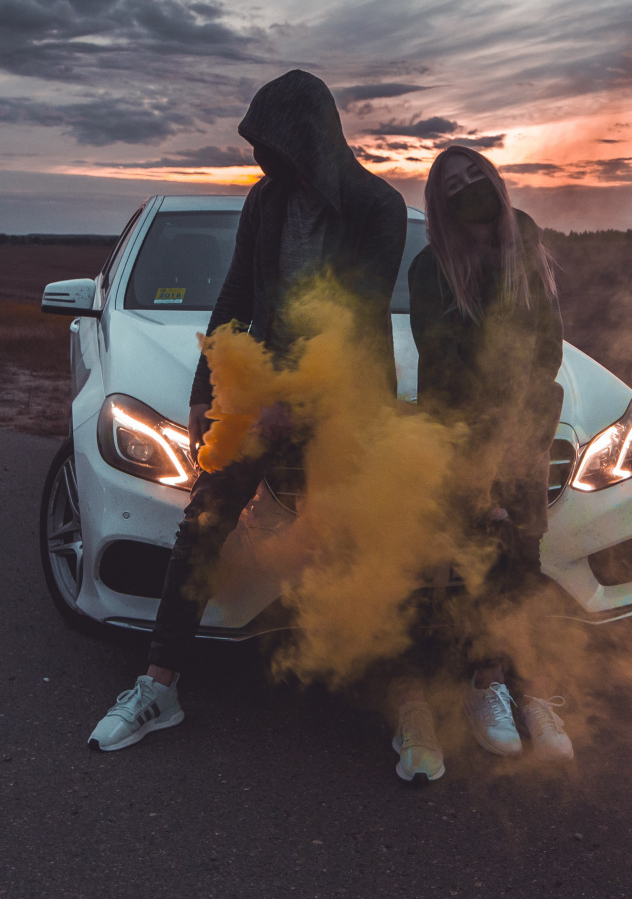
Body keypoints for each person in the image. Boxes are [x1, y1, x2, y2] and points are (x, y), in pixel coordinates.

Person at [89, 69, 407, 751]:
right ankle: (158, 687)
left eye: (275, 143)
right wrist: (205, 391)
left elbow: (357, 314)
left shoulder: (377, 206)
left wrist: (297, 405)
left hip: (349, 394)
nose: (264, 158)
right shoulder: (265, 203)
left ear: (309, 137)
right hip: (260, 392)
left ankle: (408, 699)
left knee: (367, 540)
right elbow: (235, 295)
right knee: (203, 520)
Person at [390, 146, 573, 782]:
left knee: (523, 564)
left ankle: (531, 692)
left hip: (526, 431)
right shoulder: (429, 269)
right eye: (455, 185)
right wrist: (485, 475)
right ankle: (483, 681)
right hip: (461, 438)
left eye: (477, 176)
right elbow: (447, 378)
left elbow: (544, 353)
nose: (472, 188)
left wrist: (518, 451)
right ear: (439, 207)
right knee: (480, 555)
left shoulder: (523, 244)